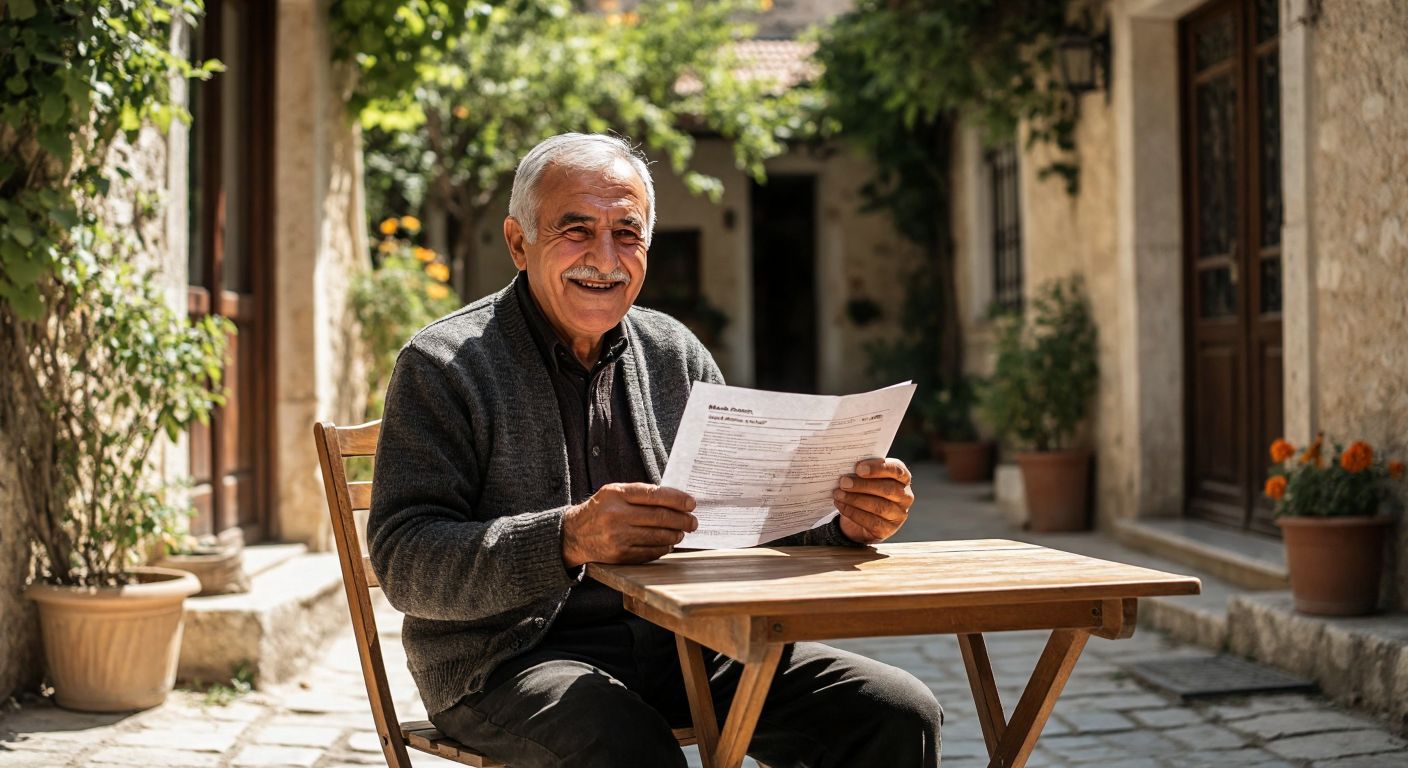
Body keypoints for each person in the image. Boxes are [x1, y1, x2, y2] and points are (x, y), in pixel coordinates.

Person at [368, 133, 941, 767]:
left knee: (894, 710)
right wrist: (568, 536)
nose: (604, 258)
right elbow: (405, 561)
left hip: (689, 644)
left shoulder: (674, 352)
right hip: (509, 661)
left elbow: (744, 521)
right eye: (576, 230)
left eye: (627, 232)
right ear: (518, 241)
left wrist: (845, 523)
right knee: (623, 744)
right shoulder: (444, 364)